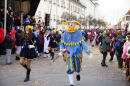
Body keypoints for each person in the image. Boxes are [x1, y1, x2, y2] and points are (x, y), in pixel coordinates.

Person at [60, 20, 92, 86]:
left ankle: (78, 73)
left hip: (77, 53)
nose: (71, 24)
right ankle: (71, 83)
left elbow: (83, 44)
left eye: (72, 23)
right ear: (68, 24)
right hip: (69, 54)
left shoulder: (79, 32)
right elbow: (62, 44)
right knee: (69, 68)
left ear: (74, 24)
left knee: (78, 67)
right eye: (70, 23)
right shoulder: (65, 34)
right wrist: (62, 50)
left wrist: (88, 52)